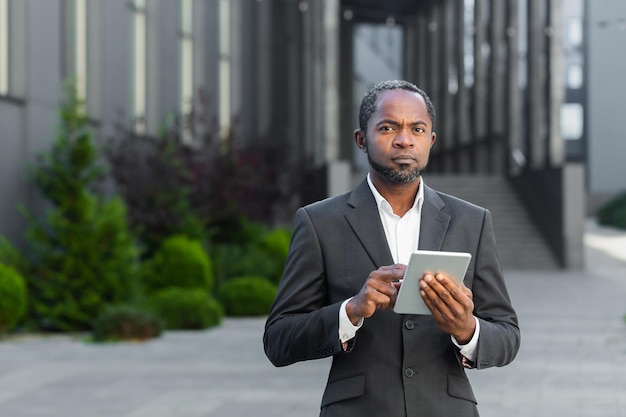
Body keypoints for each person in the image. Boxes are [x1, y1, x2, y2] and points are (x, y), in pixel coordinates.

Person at [263, 79, 520, 417]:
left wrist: (467, 329)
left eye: (417, 128)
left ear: (431, 140)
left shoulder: (472, 221)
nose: (404, 139)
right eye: (387, 127)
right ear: (361, 139)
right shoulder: (319, 222)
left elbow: (507, 335)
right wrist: (351, 311)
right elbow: (279, 340)